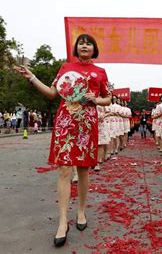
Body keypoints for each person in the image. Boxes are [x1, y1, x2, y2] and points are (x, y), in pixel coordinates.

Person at [14, 33, 111, 247]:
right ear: (76, 48)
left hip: (87, 123)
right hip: (66, 121)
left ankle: (82, 211)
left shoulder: (100, 72)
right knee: (65, 169)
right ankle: (62, 221)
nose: (84, 46)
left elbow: (108, 98)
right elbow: (51, 93)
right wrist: (32, 77)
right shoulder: (66, 68)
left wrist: (96, 99)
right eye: (81, 43)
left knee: (83, 169)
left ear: (94, 49)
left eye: (89, 44)